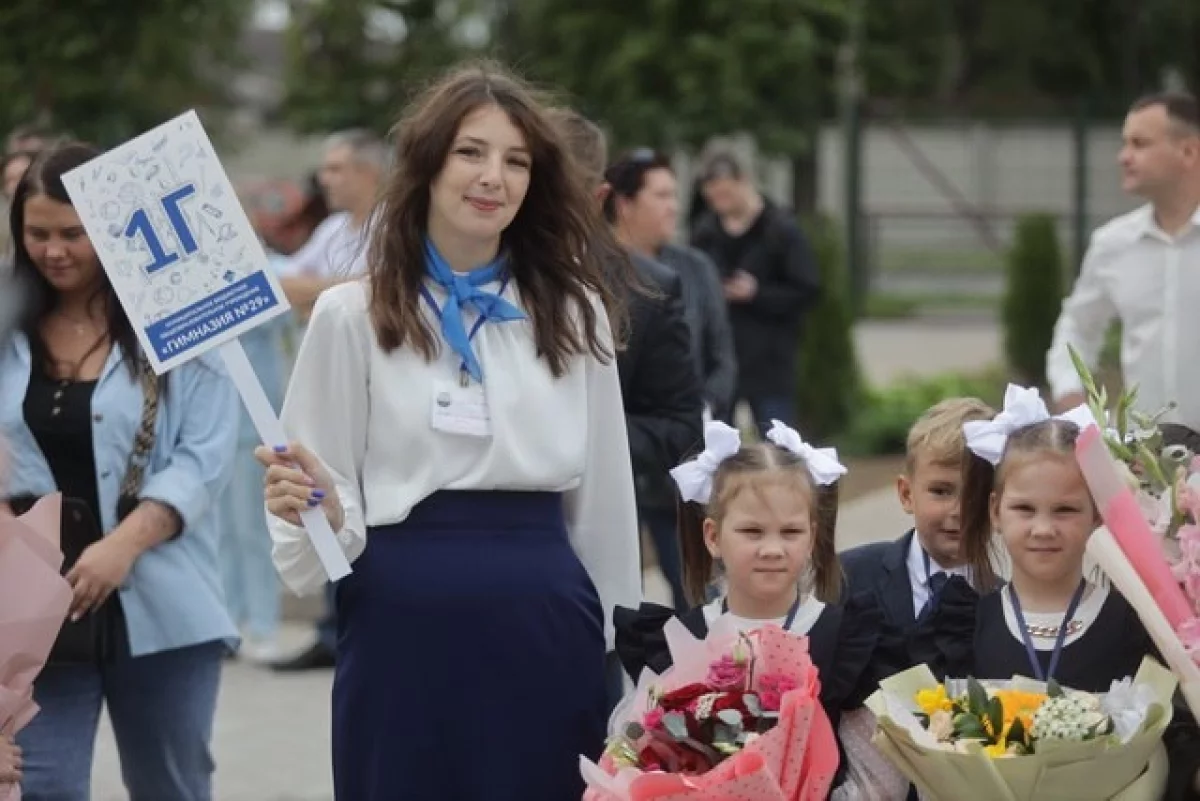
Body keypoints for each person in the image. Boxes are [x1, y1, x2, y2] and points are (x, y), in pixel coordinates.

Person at [256, 62, 643, 801]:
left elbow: (604, 498)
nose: (492, 175)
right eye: (472, 151)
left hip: (545, 623)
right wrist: (320, 510)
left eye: (516, 160)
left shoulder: (576, 311)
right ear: (428, 163)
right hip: (401, 619)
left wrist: (621, 650)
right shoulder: (351, 315)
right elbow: (322, 510)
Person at [0, 144, 238, 799]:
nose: (55, 251)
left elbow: (206, 453)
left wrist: (123, 545)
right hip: (35, 607)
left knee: (171, 781)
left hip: (164, 600)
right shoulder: (7, 321)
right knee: (39, 785)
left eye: (74, 234)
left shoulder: (180, 315)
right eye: (38, 233)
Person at [614, 420, 909, 799]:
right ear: (713, 537)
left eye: (790, 532)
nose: (772, 549)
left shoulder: (845, 640)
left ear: (813, 536)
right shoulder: (678, 640)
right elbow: (637, 758)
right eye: (752, 532)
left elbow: (879, 781)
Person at [917, 387, 1153, 691]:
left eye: (1065, 510)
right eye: (1025, 509)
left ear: (1096, 515)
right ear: (996, 511)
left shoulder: (1131, 624)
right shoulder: (963, 625)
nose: (1043, 529)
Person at [603, 146, 736, 611]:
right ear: (623, 203)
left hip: (680, 457)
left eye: (675, 195)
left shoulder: (694, 269)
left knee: (693, 588)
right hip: (615, 463)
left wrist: (703, 412)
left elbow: (722, 355)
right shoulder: (590, 275)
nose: (673, 207)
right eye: (660, 195)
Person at [1046, 91, 1200, 431]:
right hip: (1145, 462)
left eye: (1139, 144)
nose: (1123, 157)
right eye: (1124, 143)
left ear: (1188, 151)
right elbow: (1077, 326)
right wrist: (1070, 390)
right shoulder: (1113, 245)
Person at [840, 397, 996, 634]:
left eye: (978, 494)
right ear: (906, 494)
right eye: (941, 492)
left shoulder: (1007, 604)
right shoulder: (850, 576)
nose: (960, 511)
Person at [690, 150, 820, 429]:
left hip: (770, 359)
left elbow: (807, 289)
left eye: (725, 194)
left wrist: (757, 294)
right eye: (713, 197)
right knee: (715, 444)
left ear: (743, 182)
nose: (719, 203)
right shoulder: (705, 233)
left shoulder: (781, 230)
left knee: (777, 443)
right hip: (721, 359)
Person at [276, 129, 386, 322]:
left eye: (335, 169)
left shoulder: (395, 227)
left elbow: (382, 290)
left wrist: (313, 295)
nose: (324, 180)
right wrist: (349, 286)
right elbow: (283, 285)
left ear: (369, 173)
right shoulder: (332, 227)